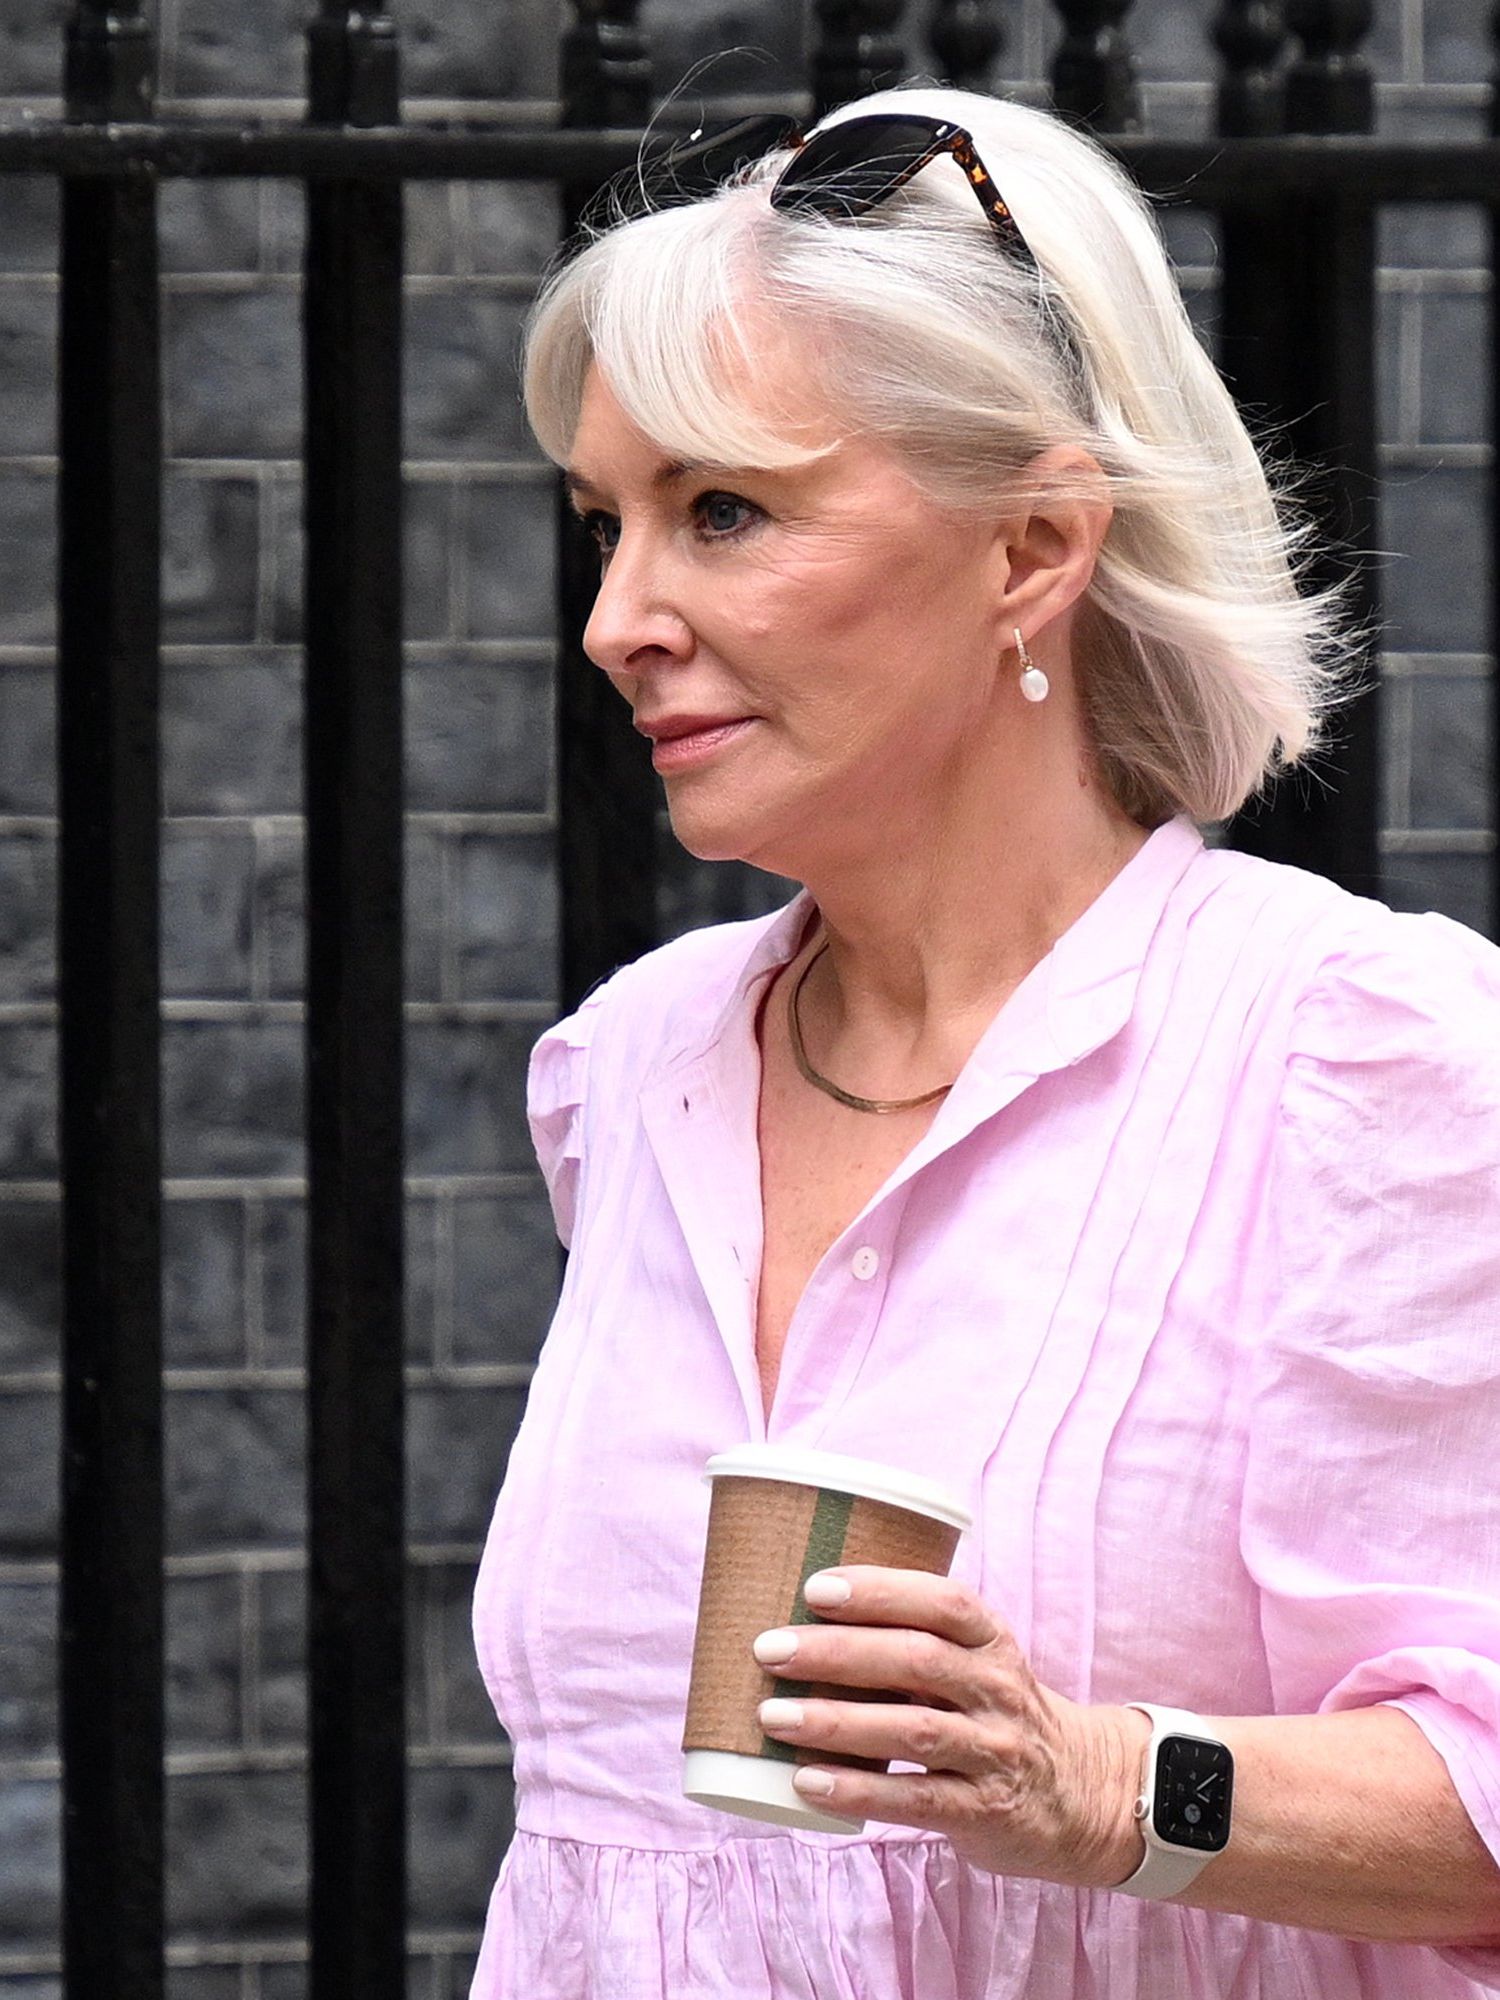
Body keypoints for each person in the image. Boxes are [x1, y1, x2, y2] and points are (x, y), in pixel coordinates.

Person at [468, 83, 1500, 1999]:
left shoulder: (1363, 1060)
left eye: (723, 511)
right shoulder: (634, 1068)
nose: (619, 618)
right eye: (606, 524)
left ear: (1032, 548)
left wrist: (1099, 1785)